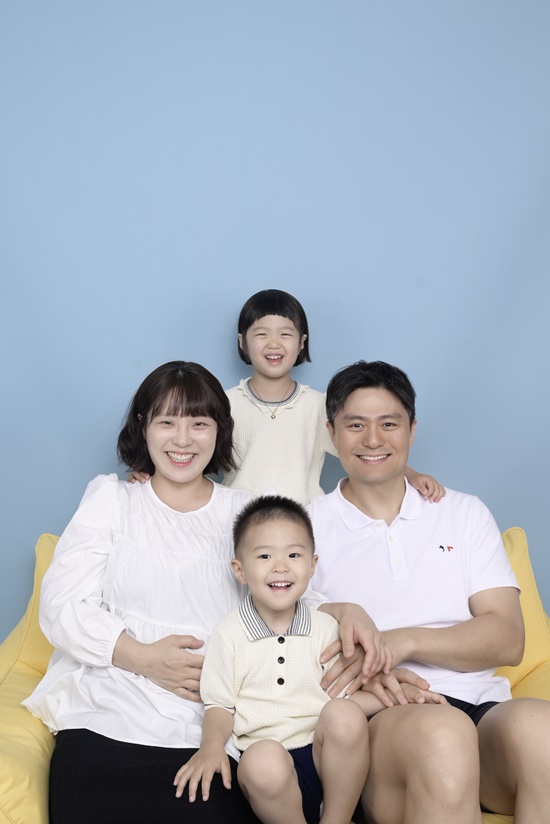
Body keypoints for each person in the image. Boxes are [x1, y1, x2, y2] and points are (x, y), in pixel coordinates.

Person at [22, 360, 388, 824]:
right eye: (166, 422)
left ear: (219, 431)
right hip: (108, 709)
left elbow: (286, 595)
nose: (183, 439)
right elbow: (61, 605)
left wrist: (346, 612)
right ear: (143, 426)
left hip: (211, 723)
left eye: (199, 423)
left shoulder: (244, 512)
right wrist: (142, 657)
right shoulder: (112, 500)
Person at [309, 359, 550, 824]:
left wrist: (403, 641)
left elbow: (508, 639)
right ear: (332, 433)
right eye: (356, 425)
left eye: (389, 424)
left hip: (481, 707)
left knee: (543, 730)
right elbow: (287, 637)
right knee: (443, 733)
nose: (373, 440)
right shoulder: (305, 527)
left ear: (412, 430)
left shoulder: (463, 512)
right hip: (385, 716)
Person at [173, 495, 446, 824]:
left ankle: (336, 819)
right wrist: (211, 747)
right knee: (261, 760)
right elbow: (219, 705)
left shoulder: (325, 628)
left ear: (312, 565)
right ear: (240, 570)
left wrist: (404, 696)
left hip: (328, 762)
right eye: (264, 556)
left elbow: (348, 695)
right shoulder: (229, 635)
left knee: (344, 714)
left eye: (293, 555)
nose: (281, 566)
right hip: (271, 771)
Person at [222, 289, 445, 506]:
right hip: (235, 520)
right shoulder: (225, 403)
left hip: (302, 521)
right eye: (261, 334)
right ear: (242, 342)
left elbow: (368, 451)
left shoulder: (319, 406)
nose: (274, 343)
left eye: (285, 334)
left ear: (301, 343)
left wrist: (412, 476)